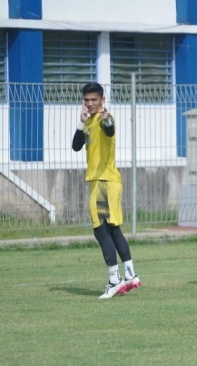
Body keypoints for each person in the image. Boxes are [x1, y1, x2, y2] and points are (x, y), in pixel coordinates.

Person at [72, 82, 141, 299]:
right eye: (87, 100)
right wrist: (81, 124)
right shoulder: (90, 122)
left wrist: (107, 119)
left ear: (103, 100)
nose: (90, 103)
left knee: (100, 230)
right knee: (112, 230)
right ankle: (130, 275)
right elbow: (75, 146)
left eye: (94, 99)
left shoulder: (104, 120)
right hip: (100, 182)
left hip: (104, 181)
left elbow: (110, 129)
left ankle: (114, 280)